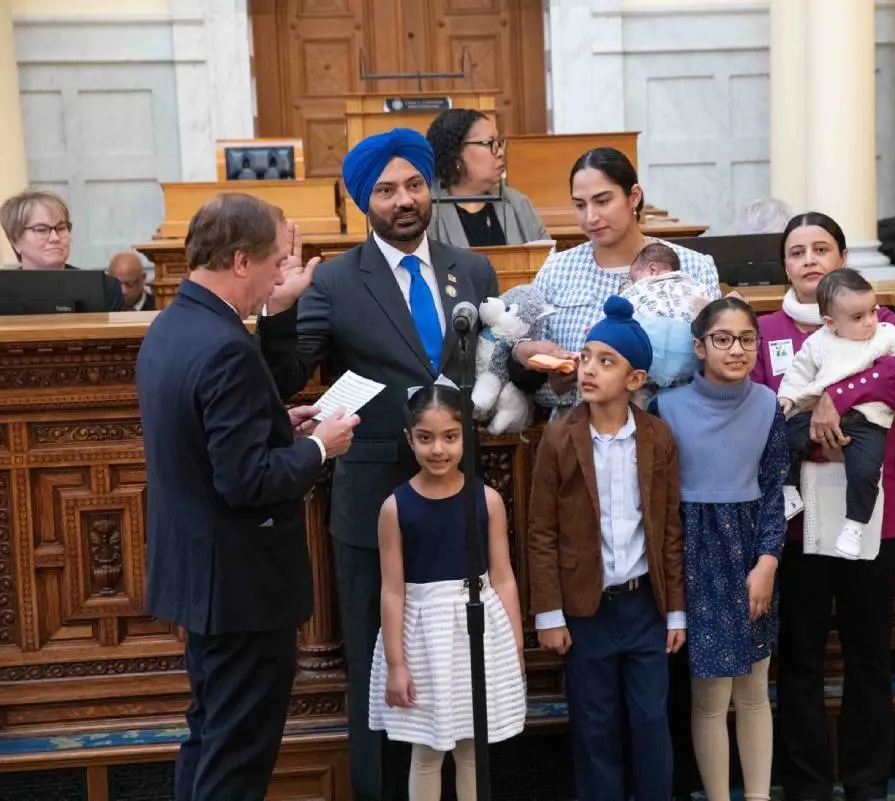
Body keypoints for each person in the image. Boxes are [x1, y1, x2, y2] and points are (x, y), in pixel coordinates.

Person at [257, 127, 502, 800]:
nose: (404, 200)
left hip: (457, 498)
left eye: (415, 185)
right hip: (372, 503)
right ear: (365, 200)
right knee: (377, 664)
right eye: (387, 190)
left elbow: (490, 362)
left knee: (461, 659)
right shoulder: (335, 280)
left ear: (432, 189)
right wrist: (277, 310)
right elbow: (284, 378)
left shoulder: (472, 269)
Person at [136, 193, 360, 800]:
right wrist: (320, 448)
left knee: (210, 738)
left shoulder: (173, 325)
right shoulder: (225, 345)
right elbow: (246, 482)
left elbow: (204, 439)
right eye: (272, 265)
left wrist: (280, 426)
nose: (276, 280)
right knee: (237, 758)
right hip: (243, 589)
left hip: (202, 580)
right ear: (240, 260)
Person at [749, 212, 895, 801]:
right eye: (796, 252)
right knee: (799, 656)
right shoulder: (763, 330)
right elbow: (762, 411)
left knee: (868, 652)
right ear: (785, 265)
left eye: (821, 248)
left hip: (872, 508)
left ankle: (866, 782)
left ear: (842, 258)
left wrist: (832, 394)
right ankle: (805, 784)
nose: (809, 260)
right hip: (798, 519)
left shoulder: (883, 323)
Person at [527, 296, 686, 801]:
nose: (588, 370)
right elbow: (541, 531)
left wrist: (676, 613)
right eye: (587, 357)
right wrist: (549, 612)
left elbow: (667, 530)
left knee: (649, 721)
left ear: (635, 380)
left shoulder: (658, 438)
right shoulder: (558, 438)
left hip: (644, 607)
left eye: (605, 361)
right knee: (595, 725)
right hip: (585, 608)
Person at [654, 297, 788, 801]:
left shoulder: (768, 404)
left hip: (751, 550)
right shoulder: (666, 407)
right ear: (699, 346)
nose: (736, 349)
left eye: (747, 339)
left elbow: (776, 486)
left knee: (754, 689)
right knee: (710, 695)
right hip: (695, 553)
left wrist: (768, 561)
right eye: (723, 339)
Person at [368, 379, 526, 801]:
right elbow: (392, 591)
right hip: (423, 638)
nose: (438, 449)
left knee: (474, 749)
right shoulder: (395, 508)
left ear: (465, 437)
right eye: (426, 438)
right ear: (410, 439)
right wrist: (397, 664)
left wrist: (514, 647)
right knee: (427, 750)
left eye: (450, 437)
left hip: (476, 631)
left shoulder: (487, 500)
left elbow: (504, 577)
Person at [510, 147, 721, 412]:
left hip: (672, 429)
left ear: (634, 196)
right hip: (583, 434)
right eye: (580, 205)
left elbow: (713, 365)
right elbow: (538, 388)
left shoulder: (692, 266)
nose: (591, 217)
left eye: (602, 201)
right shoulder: (557, 269)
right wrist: (558, 383)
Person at [777, 270, 895, 558]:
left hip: (866, 421)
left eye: (873, 311)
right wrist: (787, 397)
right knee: (785, 438)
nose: (870, 321)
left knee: (866, 470)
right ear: (830, 323)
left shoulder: (885, 334)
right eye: (858, 317)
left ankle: (855, 525)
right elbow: (798, 372)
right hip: (816, 414)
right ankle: (788, 489)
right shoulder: (817, 342)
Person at [426, 108, 549, 247]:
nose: (500, 152)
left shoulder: (518, 203)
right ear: (455, 154)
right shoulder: (428, 211)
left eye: (499, 143)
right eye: (489, 143)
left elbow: (547, 262)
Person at [0, 188, 124, 311]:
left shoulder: (105, 288)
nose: (55, 238)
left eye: (61, 228)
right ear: (15, 240)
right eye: (41, 230)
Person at [620, 241, 710, 401]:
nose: (634, 283)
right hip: (692, 368)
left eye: (635, 278)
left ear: (652, 270)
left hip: (646, 371)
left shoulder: (638, 290)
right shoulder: (697, 288)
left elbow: (618, 315)